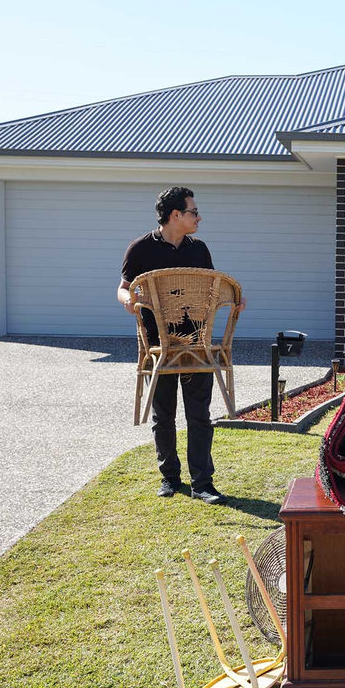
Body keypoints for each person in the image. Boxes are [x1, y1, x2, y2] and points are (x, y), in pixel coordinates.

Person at [117, 186, 244, 503]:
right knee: (164, 415)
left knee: (199, 415)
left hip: (196, 344)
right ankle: (170, 478)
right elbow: (122, 289)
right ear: (175, 215)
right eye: (193, 212)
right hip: (158, 347)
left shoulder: (199, 249)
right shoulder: (140, 249)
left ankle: (202, 483)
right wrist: (129, 301)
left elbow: (212, 291)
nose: (198, 217)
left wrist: (236, 300)